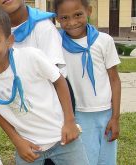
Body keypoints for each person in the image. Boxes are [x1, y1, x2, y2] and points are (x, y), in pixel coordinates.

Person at [0, 6, 89, 164]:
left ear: (10, 41)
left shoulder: (30, 57)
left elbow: (59, 81)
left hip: (63, 137)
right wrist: (17, 142)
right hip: (29, 147)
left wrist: (69, 122)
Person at [54, 0, 121, 164]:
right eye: (64, 17)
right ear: (57, 19)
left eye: (78, 15)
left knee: (106, 159)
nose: (72, 22)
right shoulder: (56, 43)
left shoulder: (104, 40)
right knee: (84, 160)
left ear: (89, 11)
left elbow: (114, 80)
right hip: (77, 115)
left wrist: (115, 117)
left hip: (106, 114)